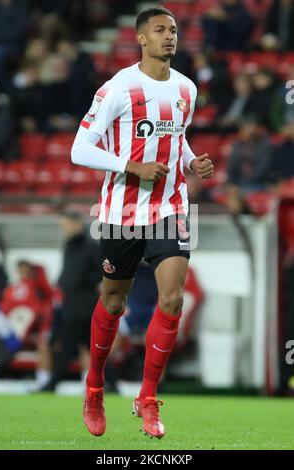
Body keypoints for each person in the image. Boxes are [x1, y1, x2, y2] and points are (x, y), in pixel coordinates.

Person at [71, 7, 214, 439]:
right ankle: (94, 386)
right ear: (140, 39)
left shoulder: (186, 89)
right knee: (114, 303)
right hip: (121, 214)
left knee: (172, 300)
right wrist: (132, 167)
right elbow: (80, 149)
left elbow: (176, 136)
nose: (169, 37)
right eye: (159, 30)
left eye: (173, 30)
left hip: (170, 208)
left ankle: (147, 399)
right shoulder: (119, 87)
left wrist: (192, 162)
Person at [39, 211, 101, 391]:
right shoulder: (68, 247)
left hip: (84, 305)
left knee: (68, 348)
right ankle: (111, 383)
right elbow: (68, 272)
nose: (64, 229)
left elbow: (102, 271)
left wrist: (82, 282)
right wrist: (62, 280)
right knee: (93, 349)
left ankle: (52, 384)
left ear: (77, 224)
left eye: (66, 225)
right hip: (71, 304)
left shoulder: (91, 247)